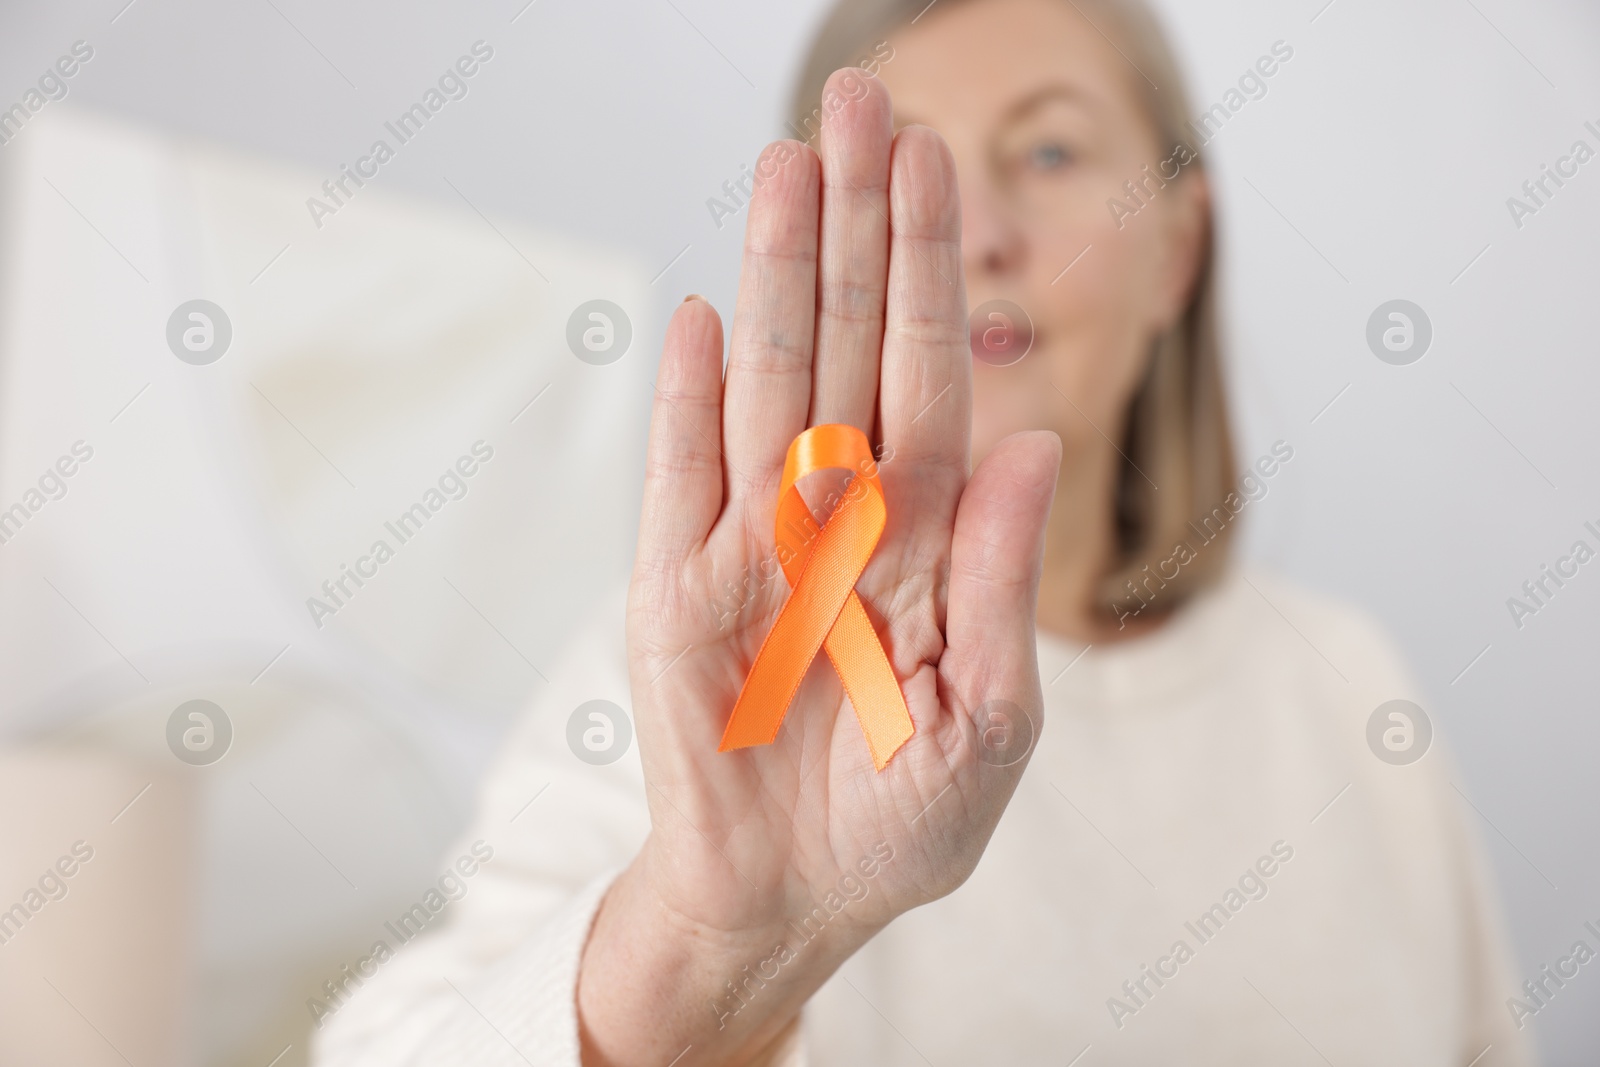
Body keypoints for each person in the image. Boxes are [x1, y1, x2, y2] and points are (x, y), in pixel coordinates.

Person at [313, 0, 1533, 1063]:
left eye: (1050, 151)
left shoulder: (1347, 687)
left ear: (1177, 248)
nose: (985, 233)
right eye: (915, 177)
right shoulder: (701, 681)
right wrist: (709, 945)